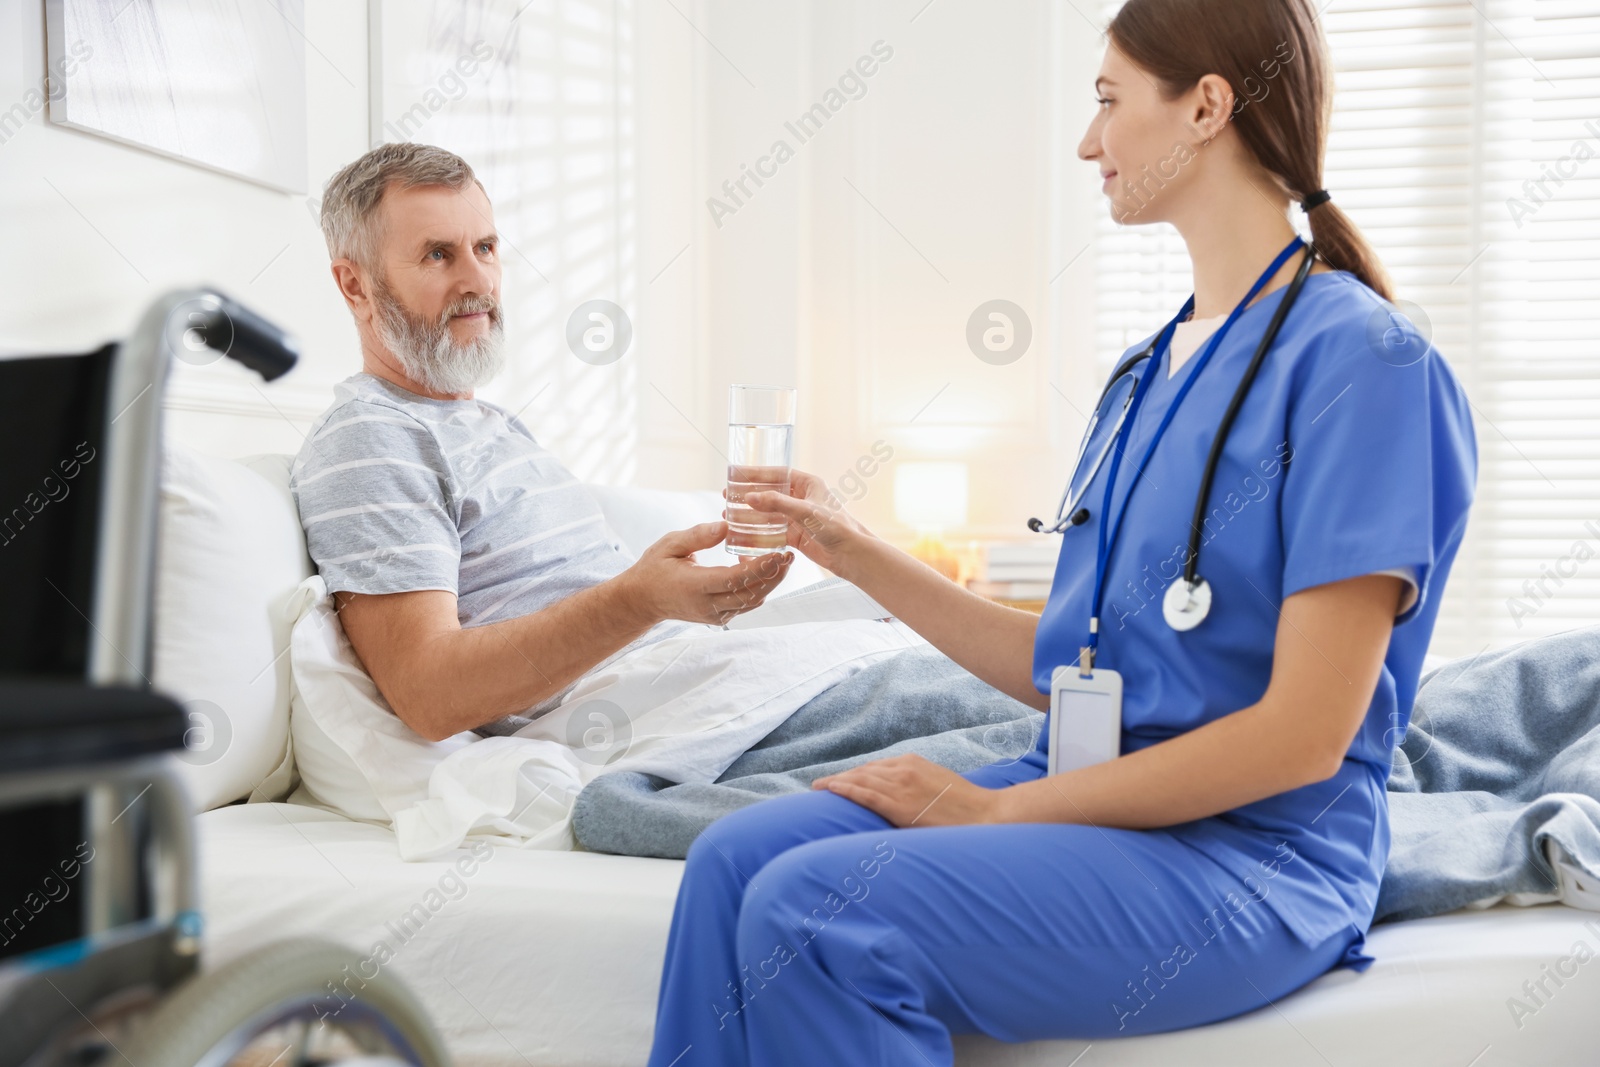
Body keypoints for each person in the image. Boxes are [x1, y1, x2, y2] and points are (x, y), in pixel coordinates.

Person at [644, 0, 1478, 1063]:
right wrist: (845, 543)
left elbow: (1303, 734)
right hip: (1097, 799)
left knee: (815, 905)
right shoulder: (1144, 374)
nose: (1088, 140)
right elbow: (1066, 663)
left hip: (1253, 851)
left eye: (1107, 101)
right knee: (729, 860)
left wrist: (1001, 813)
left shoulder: (1365, 363)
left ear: (1206, 106)